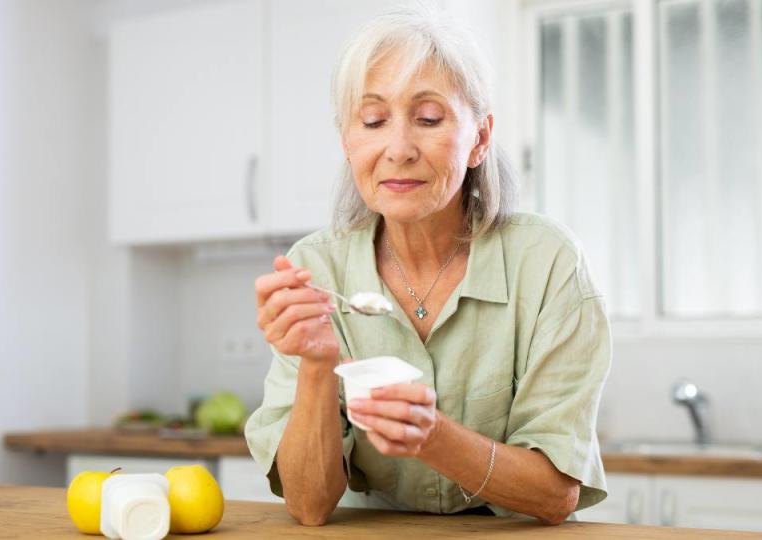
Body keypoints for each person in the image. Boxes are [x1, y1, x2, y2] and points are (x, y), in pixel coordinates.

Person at [245, 5, 611, 526]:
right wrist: (317, 367)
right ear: (348, 143)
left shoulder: (548, 264)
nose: (398, 149)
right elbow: (307, 505)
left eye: (429, 119)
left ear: (479, 139)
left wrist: (433, 437)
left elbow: (555, 495)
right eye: (373, 121)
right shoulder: (315, 269)